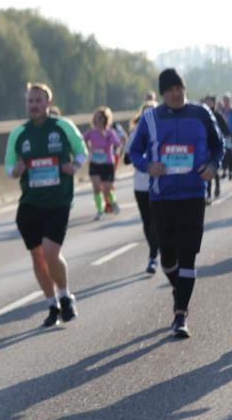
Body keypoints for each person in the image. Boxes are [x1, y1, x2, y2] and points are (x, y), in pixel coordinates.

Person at [128, 68, 223, 339]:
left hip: (193, 195)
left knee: (188, 255)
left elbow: (219, 145)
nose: (174, 93)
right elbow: (134, 151)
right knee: (167, 257)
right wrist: (148, 165)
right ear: (162, 93)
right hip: (162, 197)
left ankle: (180, 314)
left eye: (178, 87)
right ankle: (178, 288)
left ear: (184, 88)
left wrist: (213, 165)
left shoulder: (201, 113)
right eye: (168, 89)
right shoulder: (151, 118)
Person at [4, 82, 87, 328]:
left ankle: (65, 295)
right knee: (38, 257)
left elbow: (81, 151)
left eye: (38, 101)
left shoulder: (62, 127)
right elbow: (9, 166)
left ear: (48, 103)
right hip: (30, 203)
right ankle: (51, 304)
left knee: (51, 252)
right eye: (30, 101)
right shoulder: (19, 133)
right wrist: (15, 170)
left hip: (58, 201)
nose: (34, 105)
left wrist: (75, 166)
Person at [129, 101, 160, 274]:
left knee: (158, 220)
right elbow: (129, 157)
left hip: (158, 183)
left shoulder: (163, 131)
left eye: (152, 113)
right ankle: (153, 253)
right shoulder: (136, 133)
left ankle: (153, 254)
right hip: (140, 185)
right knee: (148, 222)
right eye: (145, 114)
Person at [84, 106, 122, 219]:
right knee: (96, 188)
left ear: (105, 119)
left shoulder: (110, 132)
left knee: (106, 189)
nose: (98, 120)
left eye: (101, 118)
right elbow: (82, 140)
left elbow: (117, 143)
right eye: (97, 118)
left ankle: (113, 202)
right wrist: (88, 148)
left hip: (107, 162)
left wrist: (104, 135)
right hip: (94, 162)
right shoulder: (91, 131)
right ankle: (99, 210)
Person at [201, 96, 230, 201]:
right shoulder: (202, 115)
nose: (208, 103)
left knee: (213, 168)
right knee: (206, 169)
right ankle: (208, 195)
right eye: (206, 101)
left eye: (210, 102)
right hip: (205, 146)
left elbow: (226, 129)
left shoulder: (218, 115)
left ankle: (217, 186)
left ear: (214, 103)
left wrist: (221, 136)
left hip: (215, 145)